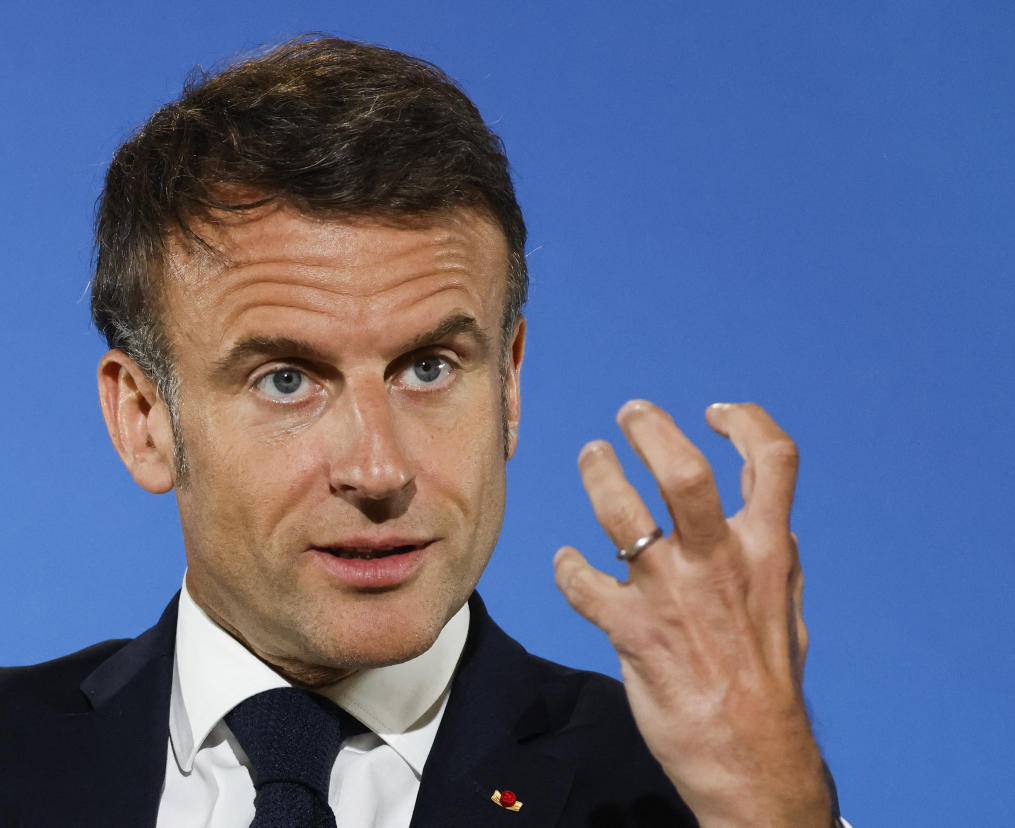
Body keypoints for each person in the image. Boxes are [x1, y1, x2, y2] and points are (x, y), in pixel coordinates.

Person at [0, 36, 843, 826]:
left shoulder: (685, 794)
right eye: (286, 380)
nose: (379, 469)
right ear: (143, 420)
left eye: (429, 368)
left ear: (508, 384)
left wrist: (771, 803)